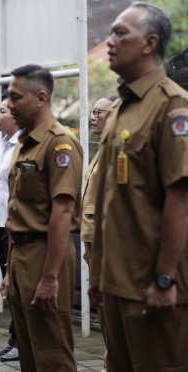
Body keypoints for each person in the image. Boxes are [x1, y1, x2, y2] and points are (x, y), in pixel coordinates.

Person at [89, 2, 188, 372]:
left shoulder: (172, 107)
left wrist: (165, 277)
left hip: (152, 284)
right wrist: (99, 276)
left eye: (121, 33)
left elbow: (180, 195)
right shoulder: (123, 108)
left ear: (150, 43)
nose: (110, 41)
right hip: (117, 281)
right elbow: (112, 200)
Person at [0, 65, 83, 372]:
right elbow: (18, 209)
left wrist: (50, 277)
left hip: (45, 254)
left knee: (52, 351)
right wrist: (9, 270)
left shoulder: (60, 143)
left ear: (41, 97)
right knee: (29, 352)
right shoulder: (24, 142)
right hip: (20, 253)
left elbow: (62, 212)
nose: (9, 105)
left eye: (15, 98)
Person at [0, 98, 21, 361]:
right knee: (8, 286)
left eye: (3, 111)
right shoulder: (2, 146)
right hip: (0, 226)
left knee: (17, 284)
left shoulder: (20, 145)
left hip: (14, 226)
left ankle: (20, 340)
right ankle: (14, 336)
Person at [81, 96, 117, 258]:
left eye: (98, 112)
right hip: (91, 233)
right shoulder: (104, 147)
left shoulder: (117, 149)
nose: (93, 117)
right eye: (92, 112)